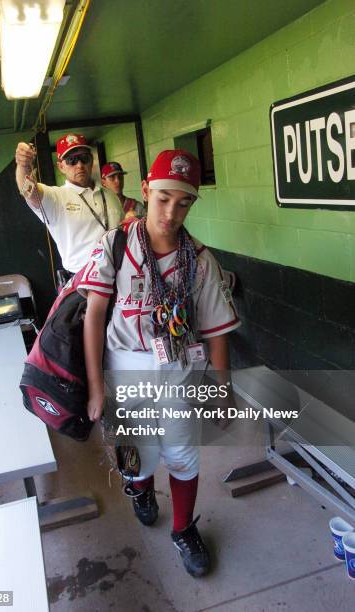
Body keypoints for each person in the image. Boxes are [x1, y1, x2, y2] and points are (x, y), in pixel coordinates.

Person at [81, 149, 240, 578]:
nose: (172, 212)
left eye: (184, 202)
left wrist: (221, 391)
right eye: (164, 198)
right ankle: (142, 491)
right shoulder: (116, 244)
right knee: (138, 456)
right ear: (146, 191)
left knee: (184, 455)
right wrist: (96, 387)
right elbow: (94, 316)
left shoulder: (201, 260)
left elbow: (215, 332)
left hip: (179, 370)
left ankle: (184, 528)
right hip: (126, 367)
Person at [15, 134, 123, 275]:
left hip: (120, 275)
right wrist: (24, 166)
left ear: (91, 160)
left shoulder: (110, 195)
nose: (79, 165)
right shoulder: (56, 197)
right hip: (83, 282)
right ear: (61, 166)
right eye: (71, 160)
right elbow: (29, 192)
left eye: (84, 158)